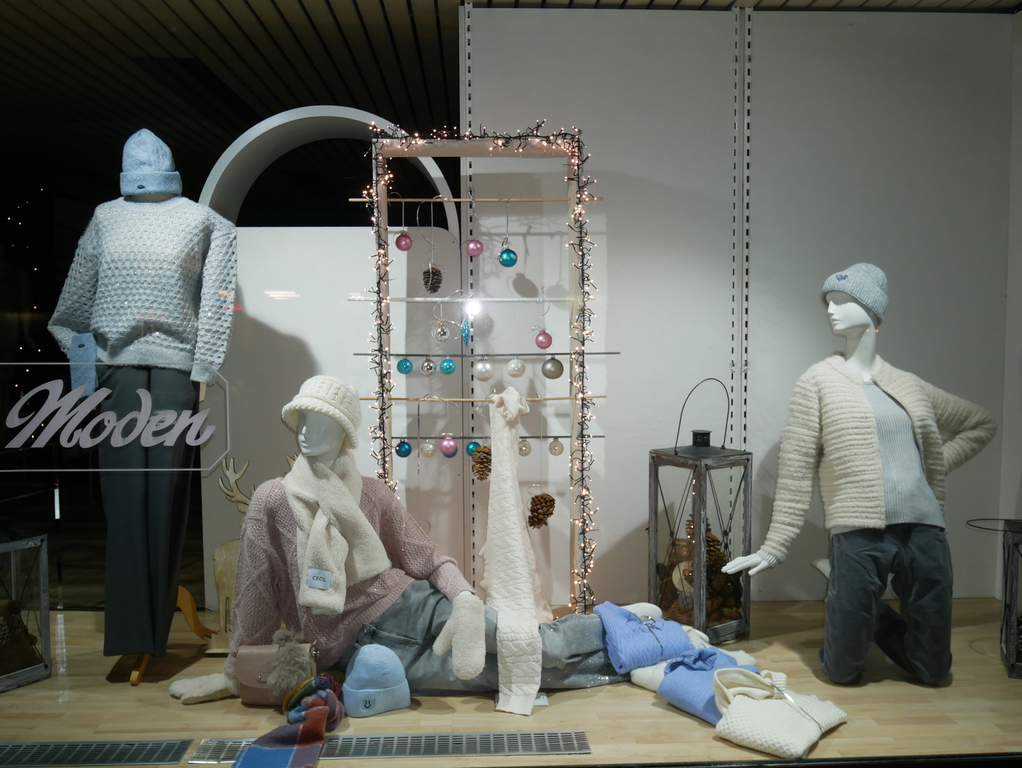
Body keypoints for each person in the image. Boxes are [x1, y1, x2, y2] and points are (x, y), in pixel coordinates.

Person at [170, 376, 629, 705]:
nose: (306, 430)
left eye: (320, 420)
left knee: (537, 645)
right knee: (513, 674)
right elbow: (254, 588)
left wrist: (464, 599)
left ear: (344, 431)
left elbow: (427, 558)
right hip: (365, 651)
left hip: (414, 606)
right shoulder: (274, 499)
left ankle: (633, 626)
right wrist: (235, 672)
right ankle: (633, 657)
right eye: (301, 419)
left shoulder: (371, 493)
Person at [723, 263, 996, 686]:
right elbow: (796, 472)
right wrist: (773, 548)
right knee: (842, 671)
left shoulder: (909, 385)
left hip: (924, 528)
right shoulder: (818, 382)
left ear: (872, 309)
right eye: (828, 303)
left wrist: (928, 468)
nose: (831, 311)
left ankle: (875, 616)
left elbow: (981, 424)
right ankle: (850, 597)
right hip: (858, 531)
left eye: (843, 301)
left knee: (934, 672)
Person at [48, 128, 237, 658]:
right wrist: (86, 379)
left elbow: (217, 305)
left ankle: (151, 634)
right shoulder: (106, 218)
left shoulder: (208, 223)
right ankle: (135, 634)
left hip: (177, 375)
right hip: (117, 374)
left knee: (166, 498)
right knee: (126, 501)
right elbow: (71, 312)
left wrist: (202, 369)